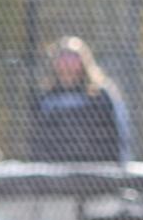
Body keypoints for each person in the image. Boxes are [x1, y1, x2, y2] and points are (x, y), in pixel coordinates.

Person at [30, 36, 131, 164]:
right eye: (63, 61)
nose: (68, 67)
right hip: (56, 170)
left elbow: (118, 135)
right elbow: (37, 140)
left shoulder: (100, 95)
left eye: (73, 61)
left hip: (97, 169)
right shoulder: (46, 98)